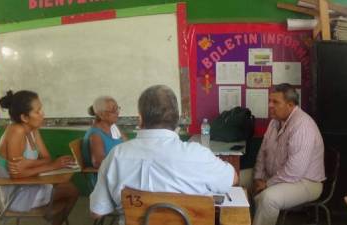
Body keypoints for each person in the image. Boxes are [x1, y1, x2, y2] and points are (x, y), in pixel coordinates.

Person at [89, 85, 238, 223]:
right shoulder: (198, 154)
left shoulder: (116, 156)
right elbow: (233, 179)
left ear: (140, 119)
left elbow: (97, 212)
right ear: (177, 119)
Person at [0, 90, 79, 225]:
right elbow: (17, 175)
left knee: (69, 188)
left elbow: (47, 157)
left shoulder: (33, 130)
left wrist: (27, 163)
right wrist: (53, 166)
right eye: (38, 111)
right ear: (24, 117)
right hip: (16, 194)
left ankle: (53, 219)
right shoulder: (16, 131)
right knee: (71, 190)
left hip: (29, 185)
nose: (43, 114)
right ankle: (53, 221)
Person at [252, 83, 325, 225]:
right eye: (269, 101)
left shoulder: (302, 126)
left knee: (268, 198)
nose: (270, 105)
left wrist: (267, 184)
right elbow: (262, 153)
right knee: (236, 178)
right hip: (274, 177)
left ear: (290, 105)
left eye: (275, 102)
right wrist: (258, 177)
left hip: (305, 182)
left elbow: (294, 171)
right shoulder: (274, 122)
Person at [82, 96, 126, 169]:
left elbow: (127, 146)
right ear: (101, 114)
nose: (117, 113)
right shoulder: (95, 135)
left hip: (118, 170)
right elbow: (98, 163)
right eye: (113, 110)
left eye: (117, 109)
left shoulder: (113, 128)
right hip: (105, 176)